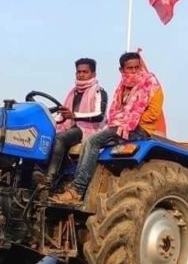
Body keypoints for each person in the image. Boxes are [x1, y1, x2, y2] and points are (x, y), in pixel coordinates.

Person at [50, 51, 163, 204]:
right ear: (122, 70)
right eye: (130, 68)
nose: (135, 71)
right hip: (119, 126)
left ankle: (77, 190)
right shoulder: (122, 87)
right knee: (71, 141)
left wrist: (130, 121)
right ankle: (57, 182)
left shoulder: (151, 85)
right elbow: (114, 111)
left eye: (137, 67)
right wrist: (121, 120)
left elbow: (153, 113)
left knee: (92, 141)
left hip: (139, 129)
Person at [40, 58, 108, 189]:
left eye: (85, 72)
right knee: (44, 134)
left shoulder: (99, 91)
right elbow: (62, 116)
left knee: (60, 138)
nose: (81, 75)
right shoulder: (73, 92)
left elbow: (99, 115)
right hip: (71, 127)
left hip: (87, 129)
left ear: (93, 74)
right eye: (78, 72)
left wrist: (74, 115)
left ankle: (50, 178)